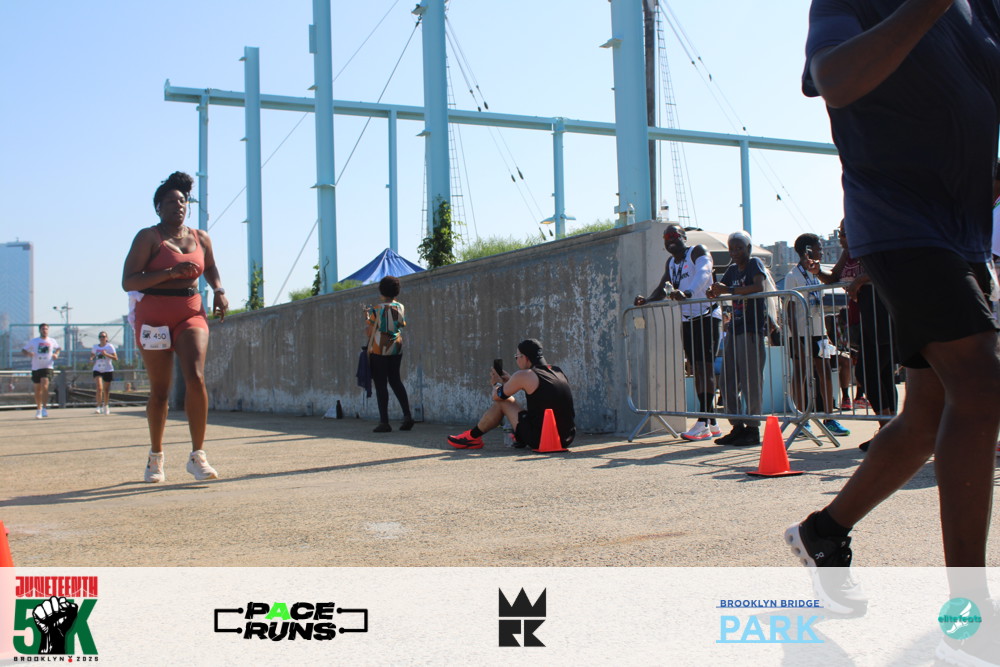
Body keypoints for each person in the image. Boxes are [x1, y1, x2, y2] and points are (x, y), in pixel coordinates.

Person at [789, 4, 1000, 660]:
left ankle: (825, 531)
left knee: (928, 414)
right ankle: (971, 619)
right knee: (982, 384)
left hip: (963, 232)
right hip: (897, 223)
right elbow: (834, 77)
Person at [122, 171, 228, 483]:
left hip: (190, 312)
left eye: (182, 201)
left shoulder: (201, 237)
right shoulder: (148, 237)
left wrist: (219, 290)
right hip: (154, 317)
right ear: (158, 207)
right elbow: (129, 281)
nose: (178, 206)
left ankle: (198, 456)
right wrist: (170, 272)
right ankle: (155, 457)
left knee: (195, 376)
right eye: (170, 202)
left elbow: (210, 266)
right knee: (160, 391)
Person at [634, 224, 722, 441]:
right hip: (687, 319)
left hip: (707, 316)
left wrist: (688, 293)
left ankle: (703, 422)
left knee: (705, 368)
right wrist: (647, 300)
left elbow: (704, 274)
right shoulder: (671, 262)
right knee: (696, 368)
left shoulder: (697, 251)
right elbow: (663, 286)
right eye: (666, 237)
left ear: (684, 237)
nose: (670, 240)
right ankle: (711, 422)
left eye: (674, 235)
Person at [816, 220, 897, 451]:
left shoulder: (872, 246)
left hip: (882, 316)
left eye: (845, 233)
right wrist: (817, 271)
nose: (842, 238)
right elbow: (833, 277)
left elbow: (887, 268)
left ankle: (889, 430)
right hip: (863, 320)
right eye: (840, 233)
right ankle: (890, 430)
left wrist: (860, 280)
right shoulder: (848, 252)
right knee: (880, 374)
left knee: (868, 373)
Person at [448, 339, 575, 450]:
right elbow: (542, 393)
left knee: (503, 402)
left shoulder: (525, 374)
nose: (516, 360)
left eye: (517, 357)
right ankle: (518, 438)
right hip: (566, 438)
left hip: (541, 439)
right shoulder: (557, 371)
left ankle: (472, 437)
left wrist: (496, 383)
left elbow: (496, 396)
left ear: (525, 357)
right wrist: (510, 381)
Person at [784, 233, 851, 437]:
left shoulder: (818, 273)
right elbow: (789, 309)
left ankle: (829, 418)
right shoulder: (792, 276)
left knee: (824, 371)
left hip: (818, 332)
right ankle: (802, 419)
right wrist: (796, 338)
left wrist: (826, 334)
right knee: (801, 373)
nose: (821, 251)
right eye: (818, 248)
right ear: (807, 250)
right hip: (800, 333)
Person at [706, 232, 769, 447]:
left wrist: (729, 290)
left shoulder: (754, 264)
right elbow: (721, 289)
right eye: (731, 248)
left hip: (751, 329)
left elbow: (758, 287)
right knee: (727, 380)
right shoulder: (732, 270)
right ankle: (737, 426)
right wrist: (714, 291)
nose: (734, 252)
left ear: (748, 248)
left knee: (751, 380)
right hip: (734, 329)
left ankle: (752, 428)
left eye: (739, 248)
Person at [365, 275, 414, 433]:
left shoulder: (377, 309)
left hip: (379, 349)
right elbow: (401, 323)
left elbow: (370, 332)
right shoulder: (400, 307)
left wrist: (367, 319)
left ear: (381, 290)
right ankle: (407, 415)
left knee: (381, 384)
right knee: (395, 380)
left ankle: (384, 422)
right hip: (396, 347)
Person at [21, 323, 61, 419]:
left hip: (47, 366)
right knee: (37, 389)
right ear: (40, 330)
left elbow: (58, 348)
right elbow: (24, 350)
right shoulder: (34, 341)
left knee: (45, 384)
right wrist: (29, 354)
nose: (45, 330)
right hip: (36, 367)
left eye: (46, 329)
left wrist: (56, 354)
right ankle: (39, 409)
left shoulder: (52, 341)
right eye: (43, 329)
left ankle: (44, 408)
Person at [88, 331, 118, 415]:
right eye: (100, 336)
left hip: (107, 369)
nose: (102, 338)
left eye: (103, 336)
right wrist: (91, 359)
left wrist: (106, 354)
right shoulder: (95, 347)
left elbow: (115, 358)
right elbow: (92, 355)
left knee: (106, 389)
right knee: (99, 387)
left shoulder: (110, 346)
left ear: (106, 338)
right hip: (97, 368)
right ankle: (98, 406)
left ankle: (106, 405)